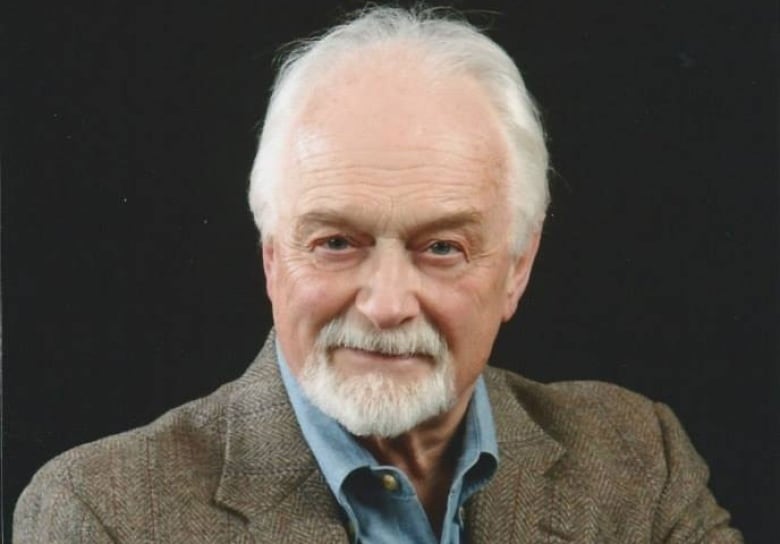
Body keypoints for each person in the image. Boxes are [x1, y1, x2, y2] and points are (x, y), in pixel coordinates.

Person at [14, 6, 742, 543]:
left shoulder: (637, 459)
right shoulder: (102, 513)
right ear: (272, 256)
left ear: (518, 267)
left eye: (442, 248)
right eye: (336, 242)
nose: (388, 305)